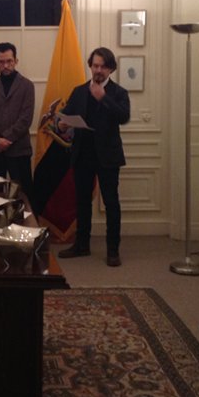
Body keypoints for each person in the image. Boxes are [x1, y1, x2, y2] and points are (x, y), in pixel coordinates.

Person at [57, 47, 130, 267]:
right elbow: (66, 115)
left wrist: (104, 98)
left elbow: (123, 117)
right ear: (90, 66)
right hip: (83, 154)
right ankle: (82, 245)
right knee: (82, 202)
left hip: (108, 155)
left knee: (111, 203)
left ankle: (113, 250)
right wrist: (61, 124)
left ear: (111, 69)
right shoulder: (79, 91)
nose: (98, 70)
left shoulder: (118, 92)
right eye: (95, 65)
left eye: (103, 66)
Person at [0, 42, 35, 201]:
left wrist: (5, 138)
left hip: (19, 149)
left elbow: (26, 118)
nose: (5, 65)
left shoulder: (27, 86)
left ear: (16, 61)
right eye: (1, 62)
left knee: (23, 195)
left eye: (9, 61)